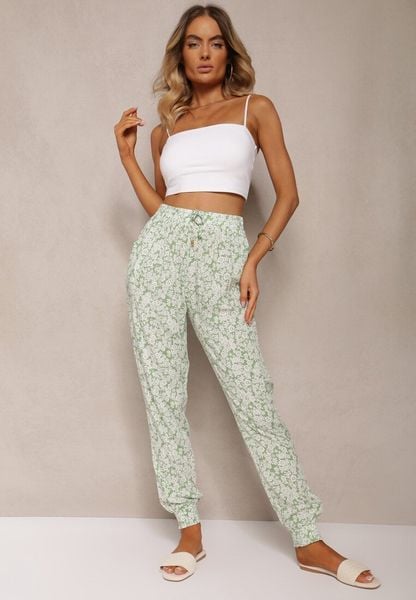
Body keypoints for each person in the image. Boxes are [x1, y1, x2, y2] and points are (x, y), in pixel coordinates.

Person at [114, 4, 380, 589]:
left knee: (253, 396)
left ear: (228, 51)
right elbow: (162, 207)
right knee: (163, 394)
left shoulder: (254, 109)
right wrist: (129, 159)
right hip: (159, 253)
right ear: (180, 54)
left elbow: (288, 194)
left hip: (224, 252)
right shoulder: (165, 129)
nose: (204, 53)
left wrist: (254, 257)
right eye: (193, 43)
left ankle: (307, 538)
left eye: (215, 42)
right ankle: (189, 529)